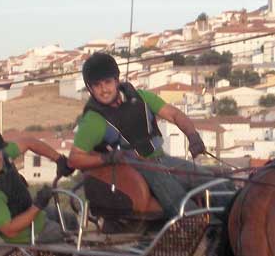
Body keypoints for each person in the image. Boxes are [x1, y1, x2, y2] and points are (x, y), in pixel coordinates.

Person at [67, 52, 226, 216]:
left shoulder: (142, 98)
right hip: (131, 168)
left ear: (116, 80)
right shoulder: (93, 120)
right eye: (97, 85)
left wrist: (193, 136)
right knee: (169, 187)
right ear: (90, 89)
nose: (104, 89)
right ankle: (196, 222)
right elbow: (74, 159)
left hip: (162, 159)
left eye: (107, 82)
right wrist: (107, 158)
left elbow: (175, 115)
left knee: (210, 180)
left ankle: (228, 224)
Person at [0, 122, 75, 244]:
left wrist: (58, 159)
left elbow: (28, 142)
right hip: (26, 234)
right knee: (72, 239)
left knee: (70, 220)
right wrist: (37, 205)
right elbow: (10, 230)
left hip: (30, 211)